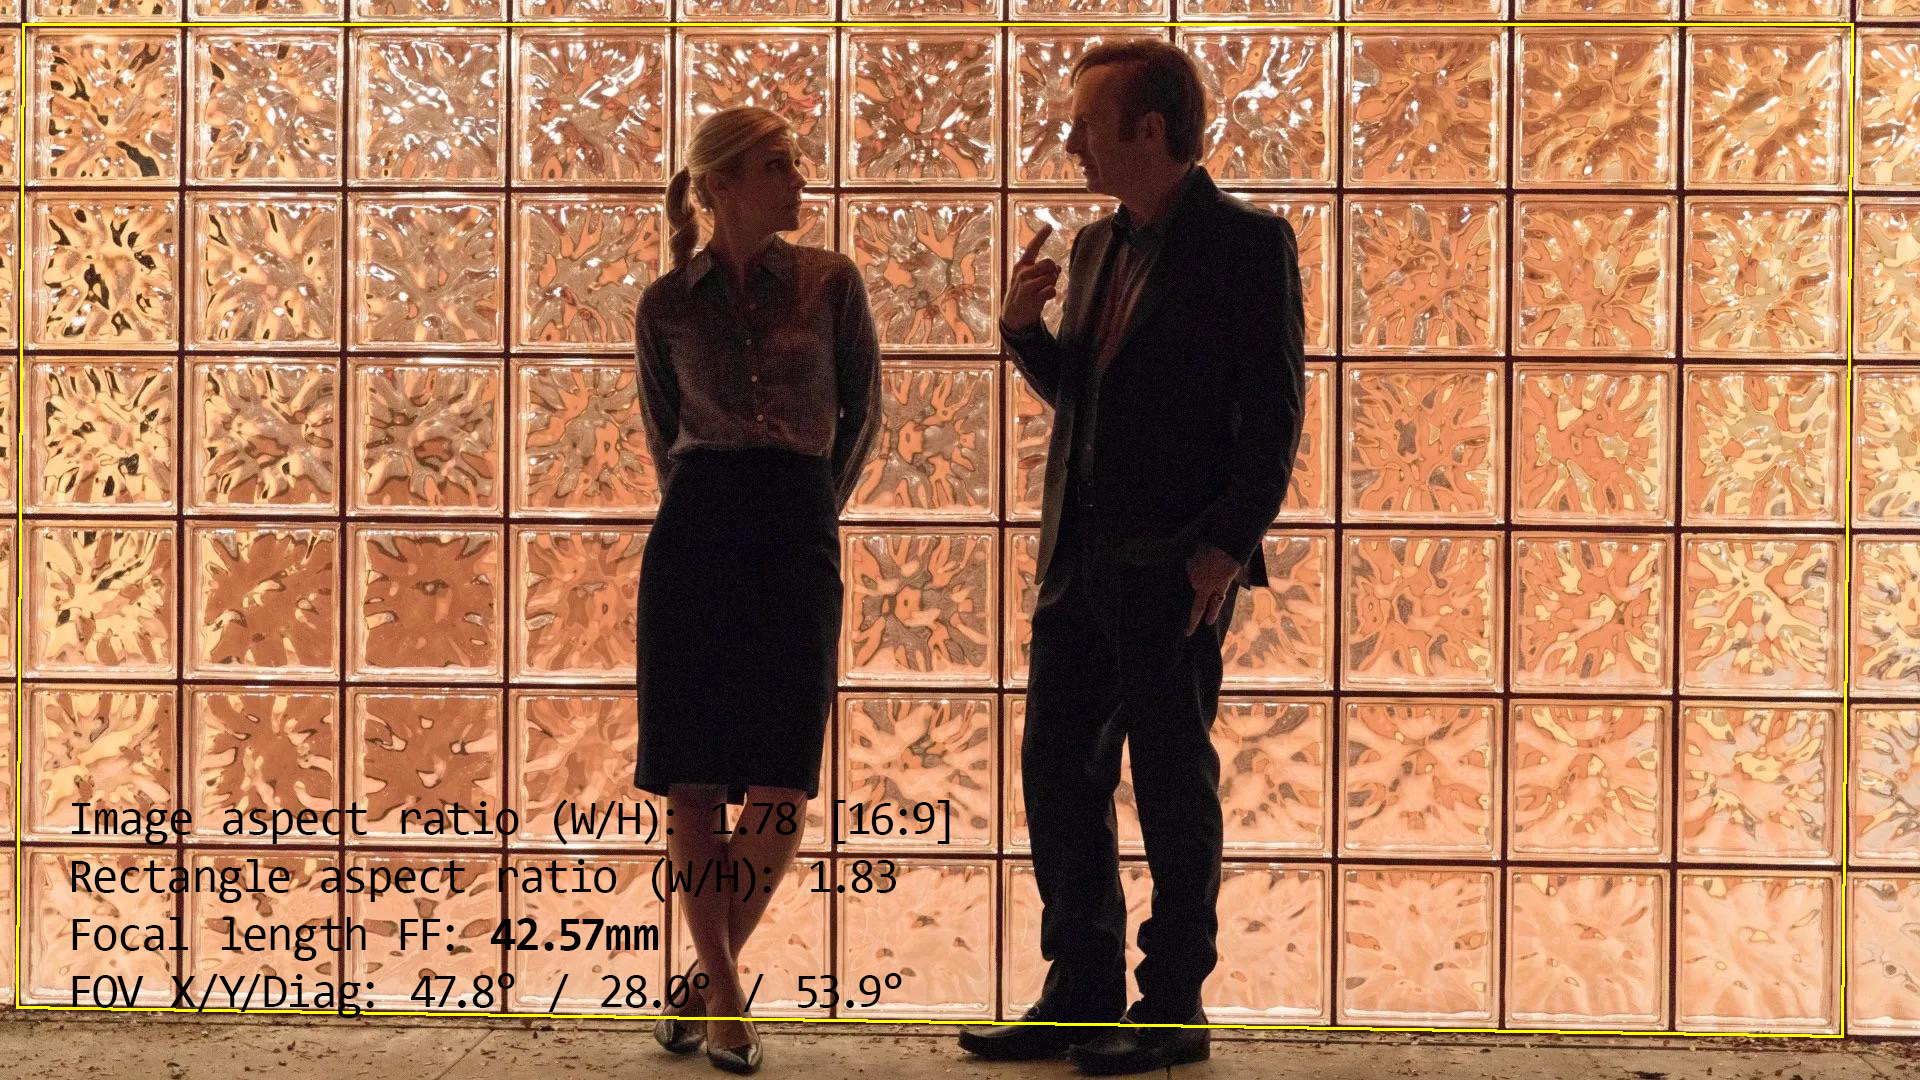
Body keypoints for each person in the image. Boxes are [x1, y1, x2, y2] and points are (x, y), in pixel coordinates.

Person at [956, 41, 1306, 1076]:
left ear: (1148, 131)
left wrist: (1223, 551)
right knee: (1057, 776)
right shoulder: (1097, 245)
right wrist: (1023, 332)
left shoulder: (1247, 245)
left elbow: (1275, 416)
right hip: (1078, 561)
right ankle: (1079, 995)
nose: (1070, 143)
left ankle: (1171, 1008)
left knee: (1169, 786)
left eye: (1085, 125)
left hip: (1174, 569)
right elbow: (1089, 397)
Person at [632, 104, 882, 1075]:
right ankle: (727, 996)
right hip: (696, 532)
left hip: (796, 525)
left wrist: (810, 504)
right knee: (691, 774)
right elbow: (665, 433)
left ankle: (701, 983)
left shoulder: (831, 282)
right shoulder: (666, 304)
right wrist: (726, 500)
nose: (800, 180)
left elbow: (862, 413)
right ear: (722, 186)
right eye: (778, 165)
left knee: (783, 773)